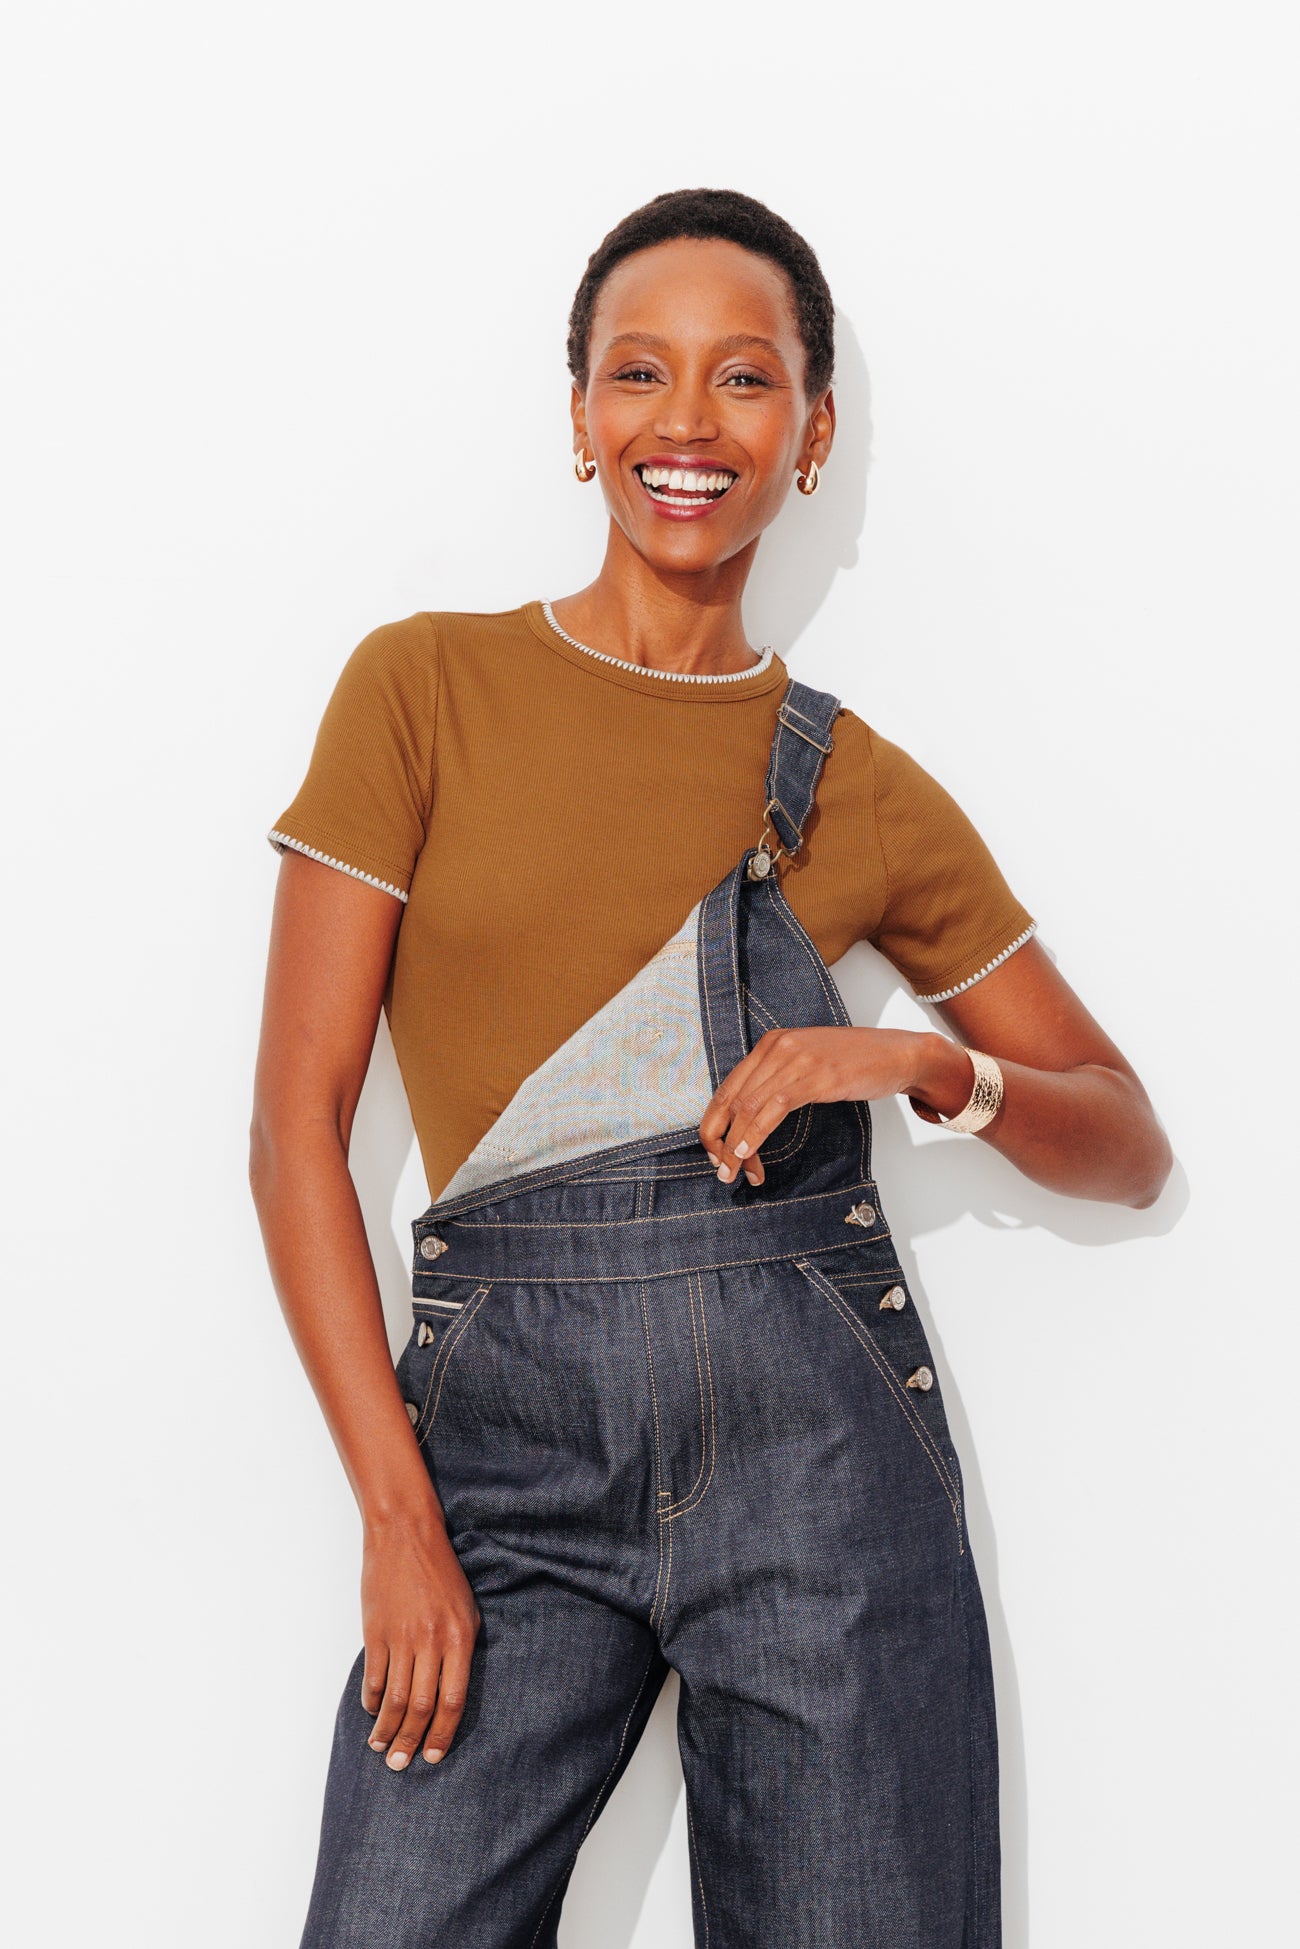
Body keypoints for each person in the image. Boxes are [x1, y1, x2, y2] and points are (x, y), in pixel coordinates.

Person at [250, 187, 1171, 1949]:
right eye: (638, 372)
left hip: (819, 1475)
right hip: (500, 1475)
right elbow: (295, 1128)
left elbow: (1124, 1142)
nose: (687, 422)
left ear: (811, 434)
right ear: (579, 412)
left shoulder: (858, 787)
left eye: (744, 378)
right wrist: (395, 1515)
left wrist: (918, 1063)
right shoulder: (422, 688)